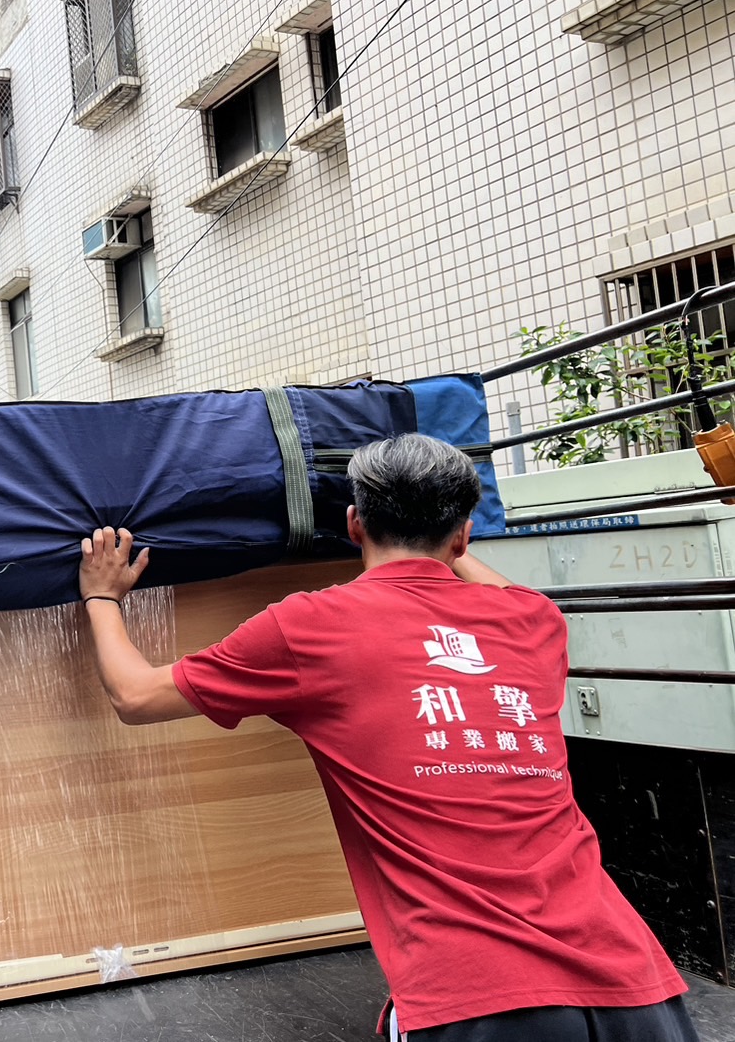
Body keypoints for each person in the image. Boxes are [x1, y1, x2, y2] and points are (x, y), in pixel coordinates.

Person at [76, 433, 697, 1042]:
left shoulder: (308, 627)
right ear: (463, 534)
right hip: (633, 983)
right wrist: (444, 533)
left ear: (353, 524)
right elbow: (484, 576)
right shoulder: (535, 621)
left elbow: (135, 696)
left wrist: (102, 596)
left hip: (473, 995)